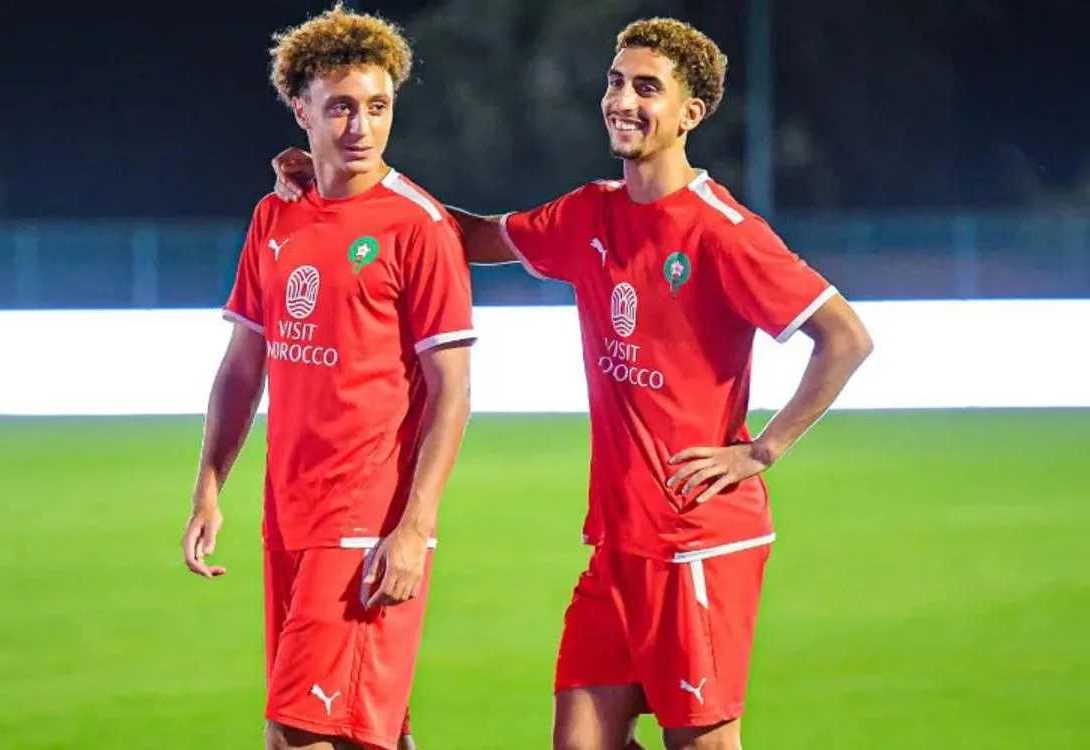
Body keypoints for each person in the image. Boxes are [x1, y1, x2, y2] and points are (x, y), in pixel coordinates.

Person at [271, 16, 873, 750]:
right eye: (616, 82)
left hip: (696, 542)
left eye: (647, 88)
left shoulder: (723, 232)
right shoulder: (592, 211)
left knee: (703, 742)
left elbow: (845, 338)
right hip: (616, 546)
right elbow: (466, 234)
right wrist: (340, 179)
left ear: (691, 112)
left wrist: (761, 450)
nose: (622, 100)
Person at [181, 5, 477, 750]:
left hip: (365, 521)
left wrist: (414, 527)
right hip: (288, 517)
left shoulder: (418, 227)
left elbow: (452, 390)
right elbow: (242, 368)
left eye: (378, 107)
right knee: (361, 731)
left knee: (296, 733)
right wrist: (210, 486)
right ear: (301, 110)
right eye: (341, 107)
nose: (361, 127)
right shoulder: (275, 217)